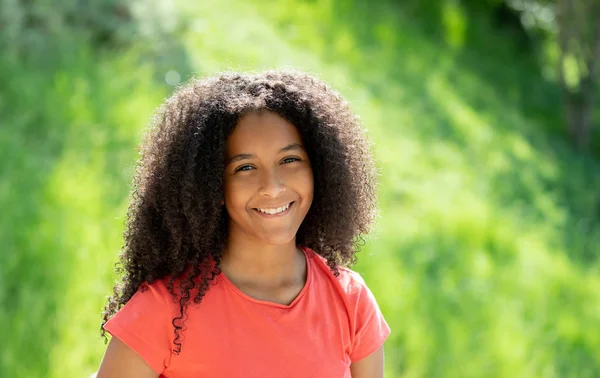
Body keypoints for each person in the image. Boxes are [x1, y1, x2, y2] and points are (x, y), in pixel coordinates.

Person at [97, 70, 390, 378]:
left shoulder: (350, 299)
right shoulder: (164, 311)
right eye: (245, 167)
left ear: (319, 169)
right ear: (213, 185)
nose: (272, 187)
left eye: (290, 160)